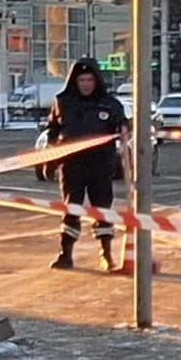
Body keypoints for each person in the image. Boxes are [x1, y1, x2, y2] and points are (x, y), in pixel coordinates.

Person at [42, 58, 130, 271]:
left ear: (96, 80)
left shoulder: (109, 104)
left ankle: (106, 254)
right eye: (82, 80)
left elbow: (124, 128)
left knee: (102, 209)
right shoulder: (63, 102)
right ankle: (66, 254)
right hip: (72, 165)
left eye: (90, 79)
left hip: (100, 165)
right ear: (75, 81)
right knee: (72, 208)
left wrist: (125, 130)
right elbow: (53, 132)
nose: (86, 84)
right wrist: (49, 161)